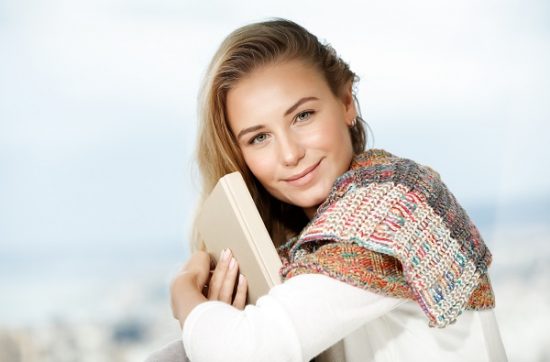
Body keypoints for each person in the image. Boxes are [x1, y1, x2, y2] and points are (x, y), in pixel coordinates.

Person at [161, 18, 507, 362]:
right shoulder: (307, 245)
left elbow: (246, 352)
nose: (290, 154)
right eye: (260, 138)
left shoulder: (392, 205)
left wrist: (183, 294)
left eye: (303, 116)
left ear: (346, 102)